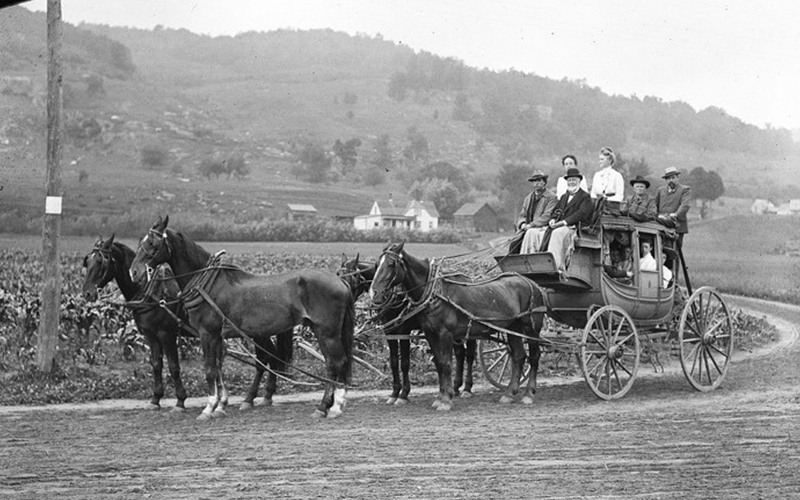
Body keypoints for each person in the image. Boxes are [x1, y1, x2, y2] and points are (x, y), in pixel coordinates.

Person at [544, 167, 594, 274]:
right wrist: (553, 219)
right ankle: (541, 263)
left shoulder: (585, 197)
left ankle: (556, 266)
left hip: (575, 227)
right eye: (569, 180)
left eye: (574, 180)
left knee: (557, 233)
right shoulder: (563, 197)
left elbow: (581, 214)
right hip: (561, 225)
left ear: (579, 181)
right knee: (540, 233)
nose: (571, 182)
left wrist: (563, 222)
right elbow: (556, 210)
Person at [509, 169, 557, 254]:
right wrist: (522, 224)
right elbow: (522, 215)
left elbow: (547, 216)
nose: (536, 183)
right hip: (526, 228)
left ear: (544, 182)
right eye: (534, 181)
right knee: (514, 244)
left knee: (531, 241)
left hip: (541, 228)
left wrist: (531, 225)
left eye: (539, 180)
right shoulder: (528, 198)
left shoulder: (552, 197)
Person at [655, 166, 692, 250]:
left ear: (677, 178)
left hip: (677, 226)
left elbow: (685, 205)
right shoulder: (660, 190)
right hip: (660, 224)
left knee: (675, 251)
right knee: (659, 249)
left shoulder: (685, 190)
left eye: (673, 178)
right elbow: (654, 205)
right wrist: (656, 215)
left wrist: (675, 215)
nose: (670, 180)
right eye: (668, 179)